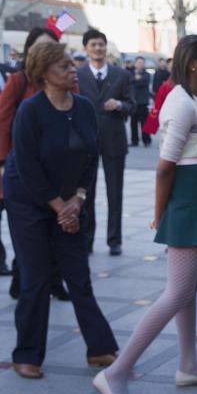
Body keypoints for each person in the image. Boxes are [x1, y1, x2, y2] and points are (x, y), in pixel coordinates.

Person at [93, 35, 197, 394]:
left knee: (189, 288)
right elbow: (165, 166)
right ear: (192, 66)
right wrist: (159, 212)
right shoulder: (181, 104)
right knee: (178, 291)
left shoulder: (190, 100)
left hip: (194, 196)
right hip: (185, 199)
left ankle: (187, 365)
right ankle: (118, 372)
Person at [5, 41, 118, 379]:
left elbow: (90, 156)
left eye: (72, 65)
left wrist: (78, 200)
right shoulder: (31, 110)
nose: (72, 71)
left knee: (78, 275)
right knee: (36, 277)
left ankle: (99, 348)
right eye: (64, 67)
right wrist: (59, 207)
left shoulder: (83, 106)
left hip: (70, 199)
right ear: (43, 74)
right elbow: (27, 167)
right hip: (28, 201)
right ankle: (27, 354)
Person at [0, 27, 73, 299]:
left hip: (58, 172)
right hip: (24, 171)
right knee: (29, 232)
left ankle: (54, 280)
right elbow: (3, 123)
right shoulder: (18, 82)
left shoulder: (66, 80)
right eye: (39, 47)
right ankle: (25, 278)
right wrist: (4, 163)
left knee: (56, 229)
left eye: (51, 48)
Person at [76, 28, 135, 256]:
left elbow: (132, 105)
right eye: (93, 45)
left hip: (114, 138)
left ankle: (114, 240)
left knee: (115, 192)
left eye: (101, 44)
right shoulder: (77, 75)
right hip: (85, 141)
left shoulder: (121, 75)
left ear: (105, 46)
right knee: (85, 192)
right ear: (86, 49)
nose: (98, 48)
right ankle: (87, 238)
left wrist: (119, 105)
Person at [130, 56, 153, 146]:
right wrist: (136, 79)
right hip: (133, 102)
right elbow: (129, 82)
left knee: (145, 123)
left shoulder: (147, 74)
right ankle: (134, 141)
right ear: (135, 64)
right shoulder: (130, 73)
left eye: (142, 62)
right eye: (138, 62)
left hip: (143, 102)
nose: (140, 64)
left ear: (144, 64)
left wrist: (136, 80)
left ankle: (146, 140)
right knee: (133, 123)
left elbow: (144, 82)